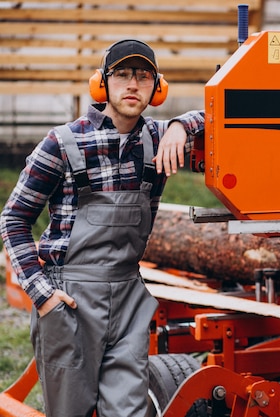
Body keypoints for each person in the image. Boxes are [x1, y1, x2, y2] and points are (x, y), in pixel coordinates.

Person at [0, 39, 204, 416]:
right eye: (122, 74)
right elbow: (13, 219)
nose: (132, 85)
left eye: (143, 77)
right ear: (102, 84)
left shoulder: (157, 139)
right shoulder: (62, 143)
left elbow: (218, 118)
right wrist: (42, 295)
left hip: (128, 297)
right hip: (69, 302)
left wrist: (180, 124)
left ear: (157, 89)